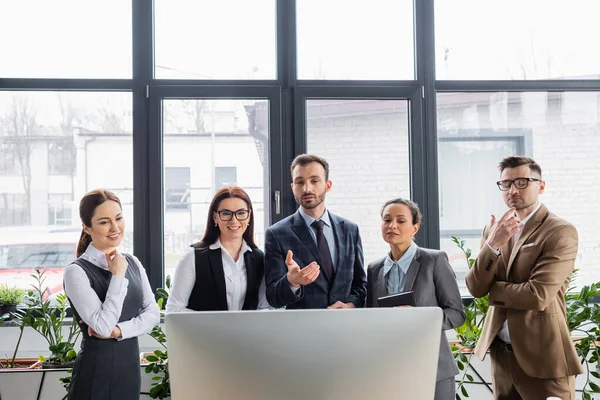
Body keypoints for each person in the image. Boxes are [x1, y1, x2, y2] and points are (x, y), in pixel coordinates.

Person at [466, 156, 582, 400]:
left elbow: (537, 295)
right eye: (506, 184)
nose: (512, 190)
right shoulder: (494, 230)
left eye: (522, 182)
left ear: (541, 186)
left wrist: (494, 291)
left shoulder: (560, 231)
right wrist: (493, 244)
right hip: (501, 355)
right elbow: (476, 287)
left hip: (543, 358)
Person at [63, 189, 160, 400]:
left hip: (129, 373)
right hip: (95, 374)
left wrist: (119, 331)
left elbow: (153, 314)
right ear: (87, 227)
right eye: (104, 222)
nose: (115, 228)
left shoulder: (132, 263)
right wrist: (117, 276)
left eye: (119, 218)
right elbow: (102, 326)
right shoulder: (76, 272)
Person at [366, 198, 465, 400]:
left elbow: (457, 314)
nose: (392, 225)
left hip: (433, 367)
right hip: (389, 368)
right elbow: (371, 317)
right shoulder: (374, 269)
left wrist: (420, 320)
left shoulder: (434, 260)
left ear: (414, 228)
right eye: (387, 220)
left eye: (401, 221)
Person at [264, 154, 367, 309]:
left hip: (345, 328)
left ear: (328, 185)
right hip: (302, 329)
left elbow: (361, 285)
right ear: (293, 188)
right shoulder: (276, 234)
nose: (307, 189)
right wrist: (292, 281)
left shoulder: (350, 230)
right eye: (300, 182)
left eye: (314, 181)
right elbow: (273, 297)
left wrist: (351, 304)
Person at [166, 186, 269, 312]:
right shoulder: (193, 257)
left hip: (247, 332)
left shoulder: (259, 259)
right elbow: (174, 308)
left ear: (249, 216)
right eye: (226, 213)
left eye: (241, 213)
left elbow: (263, 308)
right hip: (203, 332)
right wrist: (214, 324)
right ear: (215, 217)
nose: (234, 220)